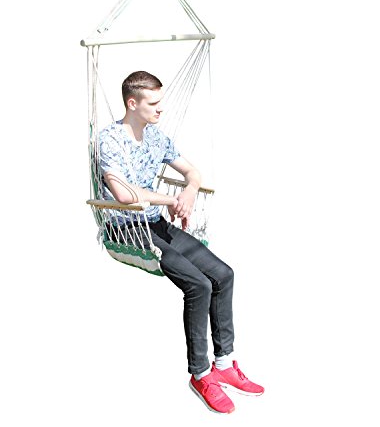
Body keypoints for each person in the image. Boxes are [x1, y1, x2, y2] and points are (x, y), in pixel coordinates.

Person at [99, 71, 264, 414]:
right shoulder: (109, 140)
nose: (161, 108)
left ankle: (224, 364)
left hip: (156, 224)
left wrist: (188, 192)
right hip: (127, 229)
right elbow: (123, 194)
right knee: (199, 285)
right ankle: (201, 374)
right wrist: (170, 200)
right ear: (132, 103)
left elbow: (193, 172)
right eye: (154, 103)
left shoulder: (156, 137)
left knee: (224, 274)